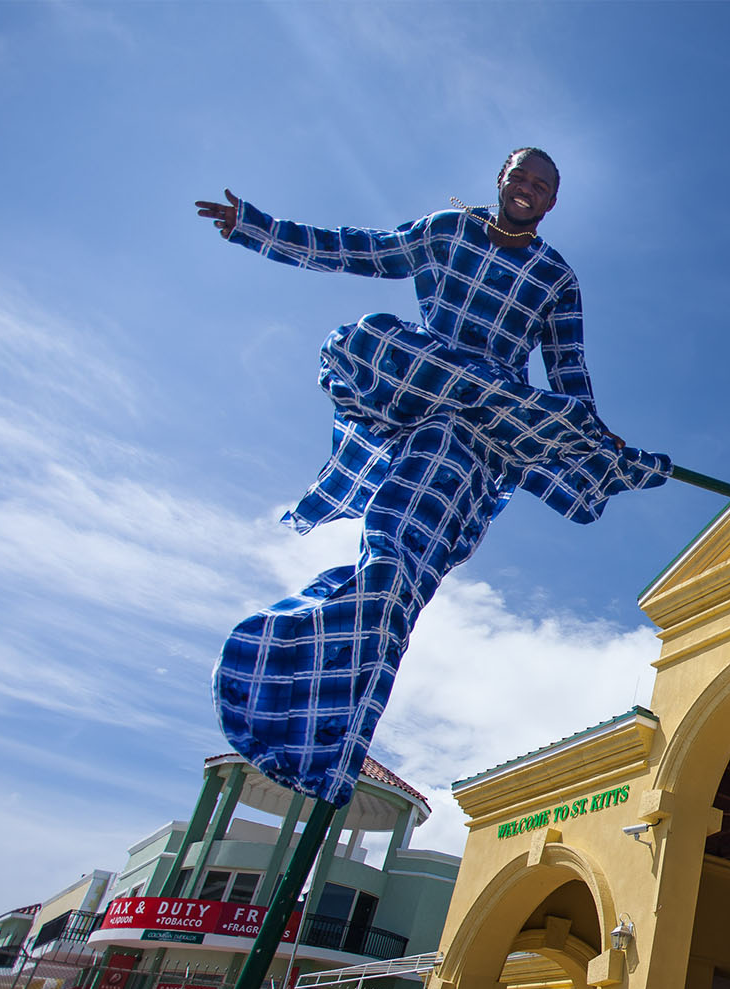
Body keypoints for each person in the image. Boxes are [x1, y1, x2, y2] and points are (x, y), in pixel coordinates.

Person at [193, 150, 670, 808]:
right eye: (520, 178)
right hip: (423, 393)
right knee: (390, 533)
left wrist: (603, 447)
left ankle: (317, 697)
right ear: (500, 181)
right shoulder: (446, 231)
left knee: (398, 574)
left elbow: (569, 372)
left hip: (478, 439)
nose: (528, 190)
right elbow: (359, 250)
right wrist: (257, 226)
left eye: (541, 185)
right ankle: (319, 692)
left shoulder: (555, 276)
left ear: (553, 201)